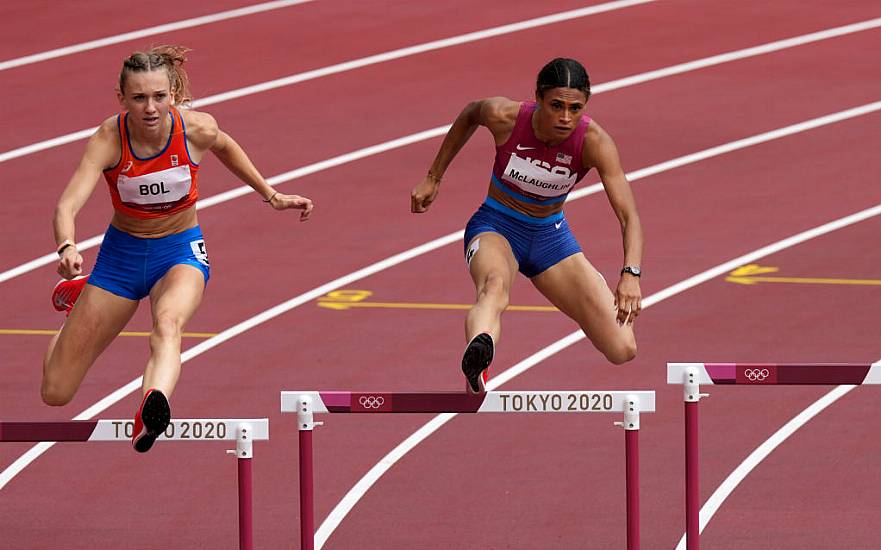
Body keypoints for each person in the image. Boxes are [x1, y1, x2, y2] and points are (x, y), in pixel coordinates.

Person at [43, 45, 313, 452]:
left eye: (159, 96)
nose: (150, 108)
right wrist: (67, 244)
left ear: (172, 94)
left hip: (180, 252)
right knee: (56, 392)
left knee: (168, 323)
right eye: (139, 98)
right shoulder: (108, 138)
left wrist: (270, 194)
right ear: (122, 99)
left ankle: (153, 406)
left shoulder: (196, 128)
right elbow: (67, 203)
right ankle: (80, 299)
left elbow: (226, 147)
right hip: (121, 259)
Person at [410, 58, 643, 393]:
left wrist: (631, 274)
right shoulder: (505, 117)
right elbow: (471, 113)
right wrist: (433, 176)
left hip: (550, 237)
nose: (565, 118)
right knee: (494, 287)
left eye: (575, 108)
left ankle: (480, 355)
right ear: (538, 98)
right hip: (497, 226)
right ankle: (478, 362)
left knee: (622, 348)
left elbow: (629, 216)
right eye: (556, 106)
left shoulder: (594, 142)